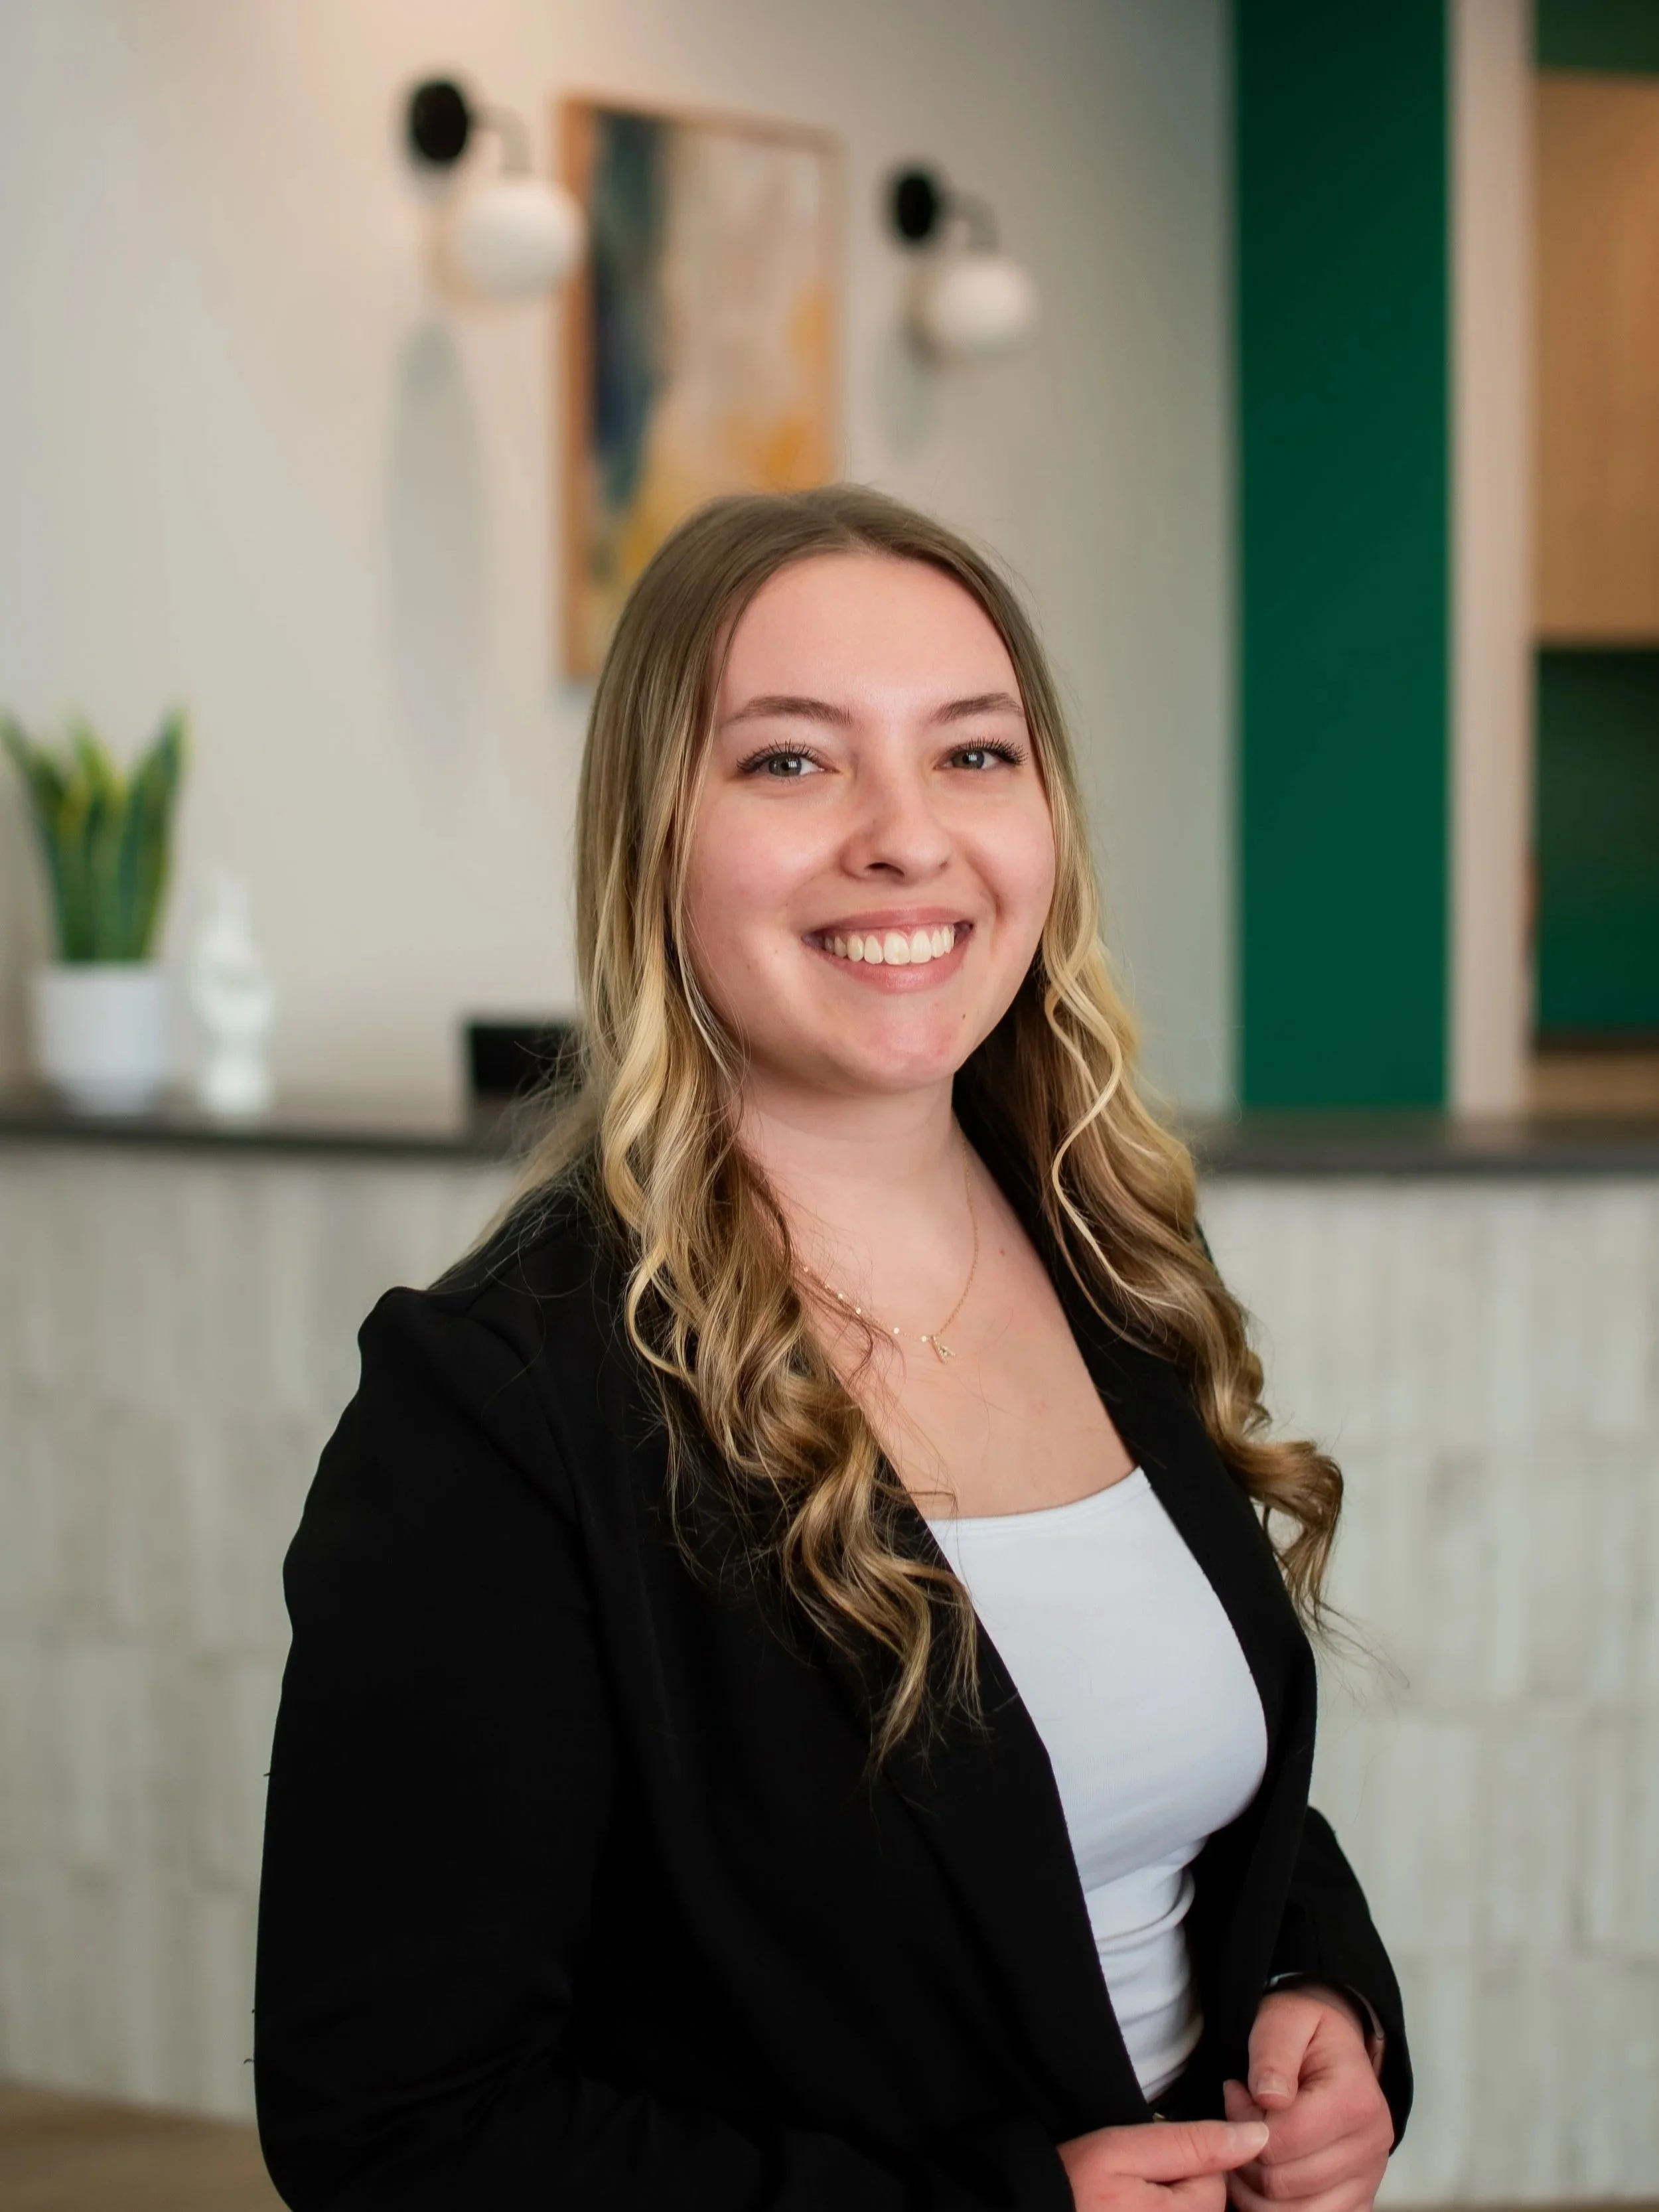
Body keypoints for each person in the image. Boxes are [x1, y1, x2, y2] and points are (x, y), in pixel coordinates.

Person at [254, 486, 1409, 2211]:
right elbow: (400, 2127)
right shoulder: (502, 1412)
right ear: (654, 836)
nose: (904, 836)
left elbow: (1142, 1774)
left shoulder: (1102, 1258)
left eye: (972, 753)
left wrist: (1320, 1994)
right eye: (792, 760)